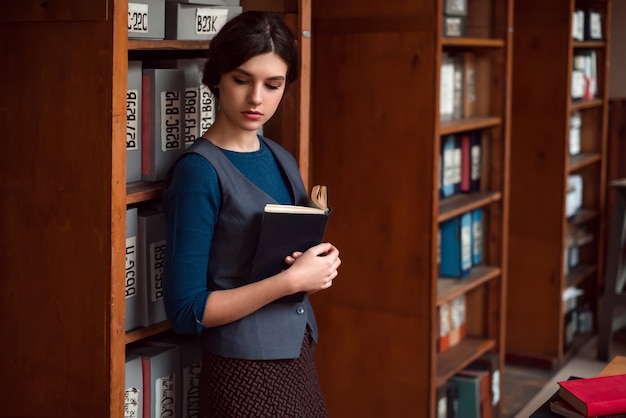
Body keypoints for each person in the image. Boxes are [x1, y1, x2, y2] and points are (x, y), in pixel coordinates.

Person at [162, 10, 341, 417]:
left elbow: (284, 259)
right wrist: (290, 280)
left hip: (297, 354)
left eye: (272, 84)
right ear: (216, 78)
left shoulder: (282, 158)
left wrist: (317, 265)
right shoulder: (198, 172)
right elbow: (187, 310)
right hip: (243, 371)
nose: (256, 98)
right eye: (242, 80)